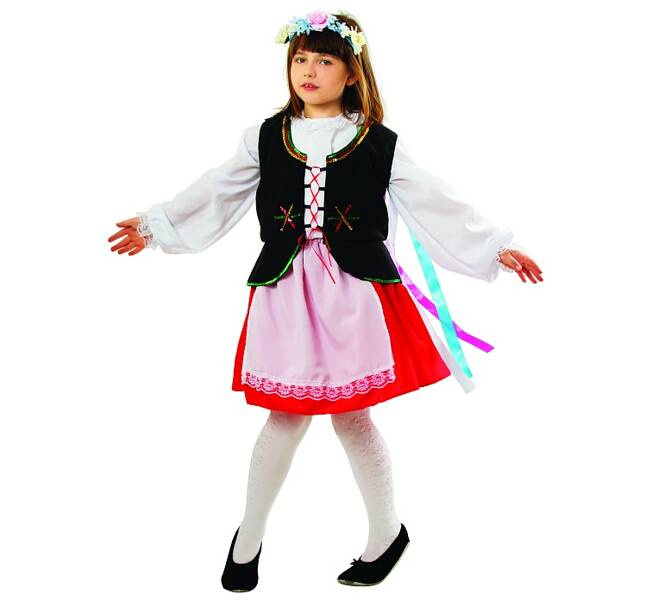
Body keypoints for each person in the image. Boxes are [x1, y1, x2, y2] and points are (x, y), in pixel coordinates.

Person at [108, 9, 543, 592]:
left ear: (352, 72)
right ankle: (248, 537)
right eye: (300, 59)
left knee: (351, 418)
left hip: (354, 295)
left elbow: (437, 201)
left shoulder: (378, 142)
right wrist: (155, 225)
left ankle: (387, 533)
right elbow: (216, 190)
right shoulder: (266, 137)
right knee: (284, 416)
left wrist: (494, 247)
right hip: (286, 291)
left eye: (324, 60)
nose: (308, 70)